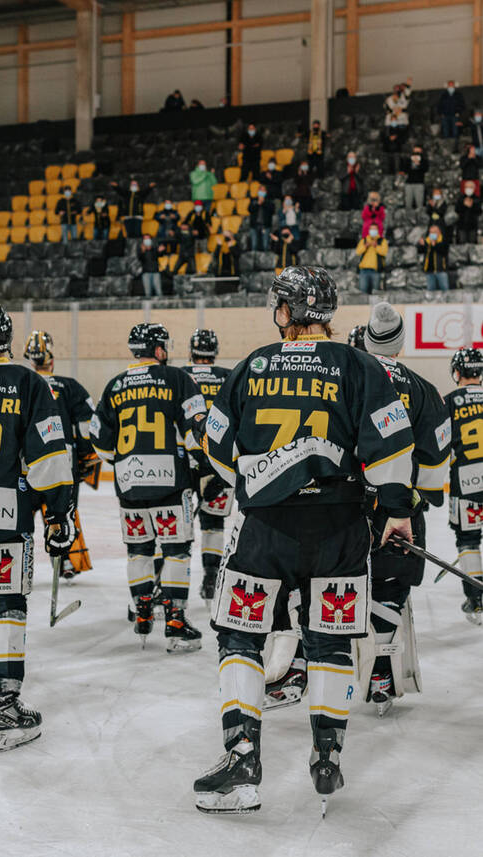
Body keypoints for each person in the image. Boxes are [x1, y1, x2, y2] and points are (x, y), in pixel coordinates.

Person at [192, 265, 414, 815]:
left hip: (264, 529)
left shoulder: (253, 364)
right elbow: (392, 450)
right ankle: (327, 755)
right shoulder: (359, 364)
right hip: (339, 529)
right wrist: (393, 509)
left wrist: (259, 480)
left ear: (287, 312)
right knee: (330, 641)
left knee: (241, 638)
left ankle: (242, 757)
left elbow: (217, 448)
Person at [0, 304, 74, 751]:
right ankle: (5, 708)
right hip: (0, 511)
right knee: (5, 606)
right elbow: (50, 459)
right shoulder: (26, 382)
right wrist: (60, 515)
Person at [356, 304, 450, 716]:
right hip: (399, 511)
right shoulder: (426, 389)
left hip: (345, 507)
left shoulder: (346, 375)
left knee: (333, 584)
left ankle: (320, 665)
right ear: (400, 343)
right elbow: (432, 473)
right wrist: (419, 495)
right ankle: (380, 672)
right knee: (390, 587)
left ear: (365, 341)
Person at [90, 323, 206, 652]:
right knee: (176, 551)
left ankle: (142, 612)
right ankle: (175, 622)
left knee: (138, 550)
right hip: (171, 482)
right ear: (158, 349)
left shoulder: (114, 386)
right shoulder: (178, 379)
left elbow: (99, 442)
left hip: (129, 483)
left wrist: (125, 462)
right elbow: (197, 431)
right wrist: (201, 467)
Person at [23, 330, 96, 579]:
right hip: (63, 464)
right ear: (51, 360)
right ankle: (64, 562)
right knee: (61, 514)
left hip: (27, 464)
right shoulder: (69, 386)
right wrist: (87, 458)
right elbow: (87, 427)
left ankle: (22, 564)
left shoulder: (22, 384)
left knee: (23, 518)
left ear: (30, 361)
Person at [182, 329, 232, 603]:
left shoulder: (179, 374)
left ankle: (162, 578)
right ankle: (211, 578)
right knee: (213, 523)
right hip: (218, 464)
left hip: (184, 463)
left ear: (191, 351)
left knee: (177, 525)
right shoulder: (228, 375)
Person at [444, 348, 483, 624]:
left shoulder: (448, 402)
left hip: (466, 479)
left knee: (468, 541)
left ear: (457, 372)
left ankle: (477, 601)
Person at [355, 227, 388, 295]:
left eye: (374, 229)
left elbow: (384, 252)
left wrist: (376, 246)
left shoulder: (382, 241)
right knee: (363, 292)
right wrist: (366, 246)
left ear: (378, 230)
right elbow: (358, 252)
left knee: (375, 292)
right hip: (364, 270)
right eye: (371, 229)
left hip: (376, 270)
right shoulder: (364, 240)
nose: (373, 231)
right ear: (369, 230)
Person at [418, 225, 450, 291]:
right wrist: (421, 245)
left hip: (441, 270)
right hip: (429, 271)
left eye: (434, 232)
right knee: (430, 290)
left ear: (439, 232)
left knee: (445, 289)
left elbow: (443, 251)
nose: (432, 234)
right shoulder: (427, 241)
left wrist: (434, 244)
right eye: (431, 232)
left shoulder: (443, 240)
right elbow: (420, 251)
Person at [402, 144, 429, 209]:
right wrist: (411, 162)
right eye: (415, 151)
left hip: (419, 183)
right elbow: (405, 170)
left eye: (418, 152)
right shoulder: (408, 160)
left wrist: (418, 164)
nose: (416, 153)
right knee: (408, 203)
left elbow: (426, 169)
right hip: (409, 183)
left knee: (419, 204)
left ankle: (420, 217)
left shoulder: (424, 160)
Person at [248, 186, 274, 251]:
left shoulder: (270, 201)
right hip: (254, 226)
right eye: (260, 190)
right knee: (254, 245)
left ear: (266, 192)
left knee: (265, 245)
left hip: (265, 226)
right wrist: (258, 203)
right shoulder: (253, 200)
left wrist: (263, 202)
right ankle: (254, 260)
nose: (262, 192)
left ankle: (265, 260)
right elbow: (250, 209)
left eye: (263, 190)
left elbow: (272, 210)